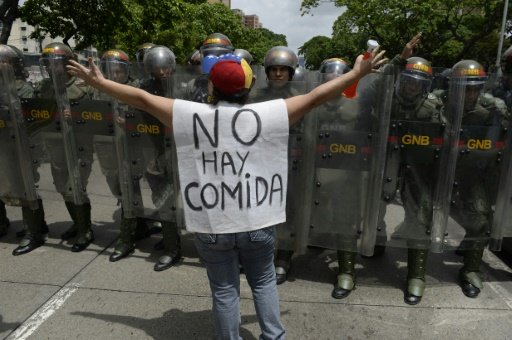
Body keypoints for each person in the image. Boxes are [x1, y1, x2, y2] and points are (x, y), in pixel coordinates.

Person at [68, 41, 385, 340]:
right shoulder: (269, 113)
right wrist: (357, 73)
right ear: (247, 88)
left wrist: (98, 83)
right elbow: (317, 96)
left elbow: (141, 99)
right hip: (258, 222)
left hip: (212, 224)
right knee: (263, 282)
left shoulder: (191, 115)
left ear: (211, 87)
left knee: (224, 289)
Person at [439, 60, 509, 298]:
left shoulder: (493, 108)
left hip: (473, 171)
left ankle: (470, 270)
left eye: (473, 88)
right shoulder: (438, 102)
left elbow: (500, 142)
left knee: (480, 221)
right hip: (438, 168)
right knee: (420, 215)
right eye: (463, 87)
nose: (469, 93)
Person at [33, 42, 96, 252]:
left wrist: (77, 116)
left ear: (68, 64)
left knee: (75, 186)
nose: (52, 68)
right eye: (49, 64)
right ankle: (77, 223)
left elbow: (97, 117)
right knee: (61, 185)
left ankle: (85, 230)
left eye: (56, 64)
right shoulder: (44, 87)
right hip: (54, 144)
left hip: (80, 146)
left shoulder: (83, 87)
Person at [250, 46, 302, 285]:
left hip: (291, 162)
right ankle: (260, 254)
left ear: (291, 73)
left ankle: (283, 257)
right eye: (274, 70)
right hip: (260, 162)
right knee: (258, 209)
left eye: (283, 70)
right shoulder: (254, 96)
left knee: (288, 212)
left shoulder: (300, 98)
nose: (278, 74)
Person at [138, 45, 182, 271]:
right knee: (162, 201)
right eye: (157, 68)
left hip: (182, 154)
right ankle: (172, 247)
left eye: (166, 67)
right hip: (154, 153)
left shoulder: (183, 88)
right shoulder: (144, 89)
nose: (162, 72)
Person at [0, 44, 48, 251]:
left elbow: (33, 119)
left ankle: (33, 232)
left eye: (5, 61)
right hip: (2, 144)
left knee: (26, 188)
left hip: (21, 146)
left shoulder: (24, 88)